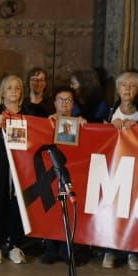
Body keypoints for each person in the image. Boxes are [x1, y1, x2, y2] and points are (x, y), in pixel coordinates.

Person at [102, 70, 138, 271]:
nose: (128, 89)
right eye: (124, 85)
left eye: (132, 85)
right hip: (112, 169)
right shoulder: (107, 110)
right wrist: (110, 127)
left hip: (137, 169)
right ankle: (110, 250)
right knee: (111, 209)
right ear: (118, 89)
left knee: (133, 210)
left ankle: (132, 251)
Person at [0, 74, 30, 264]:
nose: (13, 91)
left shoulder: (28, 112)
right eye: (9, 87)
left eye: (17, 88)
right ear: (3, 91)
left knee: (18, 206)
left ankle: (15, 245)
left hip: (21, 168)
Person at [40, 87, 86, 265]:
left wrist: (84, 127)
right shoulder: (48, 122)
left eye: (68, 100)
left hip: (72, 173)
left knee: (69, 211)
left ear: (73, 104)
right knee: (53, 209)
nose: (64, 103)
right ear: (54, 103)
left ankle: (69, 249)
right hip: (51, 172)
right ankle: (51, 248)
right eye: (61, 99)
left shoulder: (80, 123)